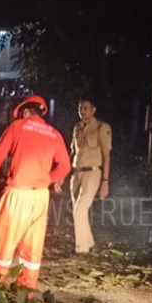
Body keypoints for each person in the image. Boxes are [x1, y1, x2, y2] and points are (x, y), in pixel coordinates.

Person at [0, 95, 71, 292]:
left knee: (4, 239)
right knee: (32, 244)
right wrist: (48, 179)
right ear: (41, 113)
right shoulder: (54, 134)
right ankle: (26, 289)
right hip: (40, 196)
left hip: (18, 193)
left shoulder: (18, 126)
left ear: (24, 112)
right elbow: (65, 166)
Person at [69, 98, 113, 254]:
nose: (82, 111)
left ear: (93, 109)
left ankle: (81, 249)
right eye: (80, 108)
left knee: (80, 211)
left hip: (93, 173)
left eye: (86, 108)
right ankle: (89, 243)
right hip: (76, 173)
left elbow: (106, 155)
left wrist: (105, 182)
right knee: (78, 211)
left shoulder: (102, 128)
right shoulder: (77, 128)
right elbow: (73, 152)